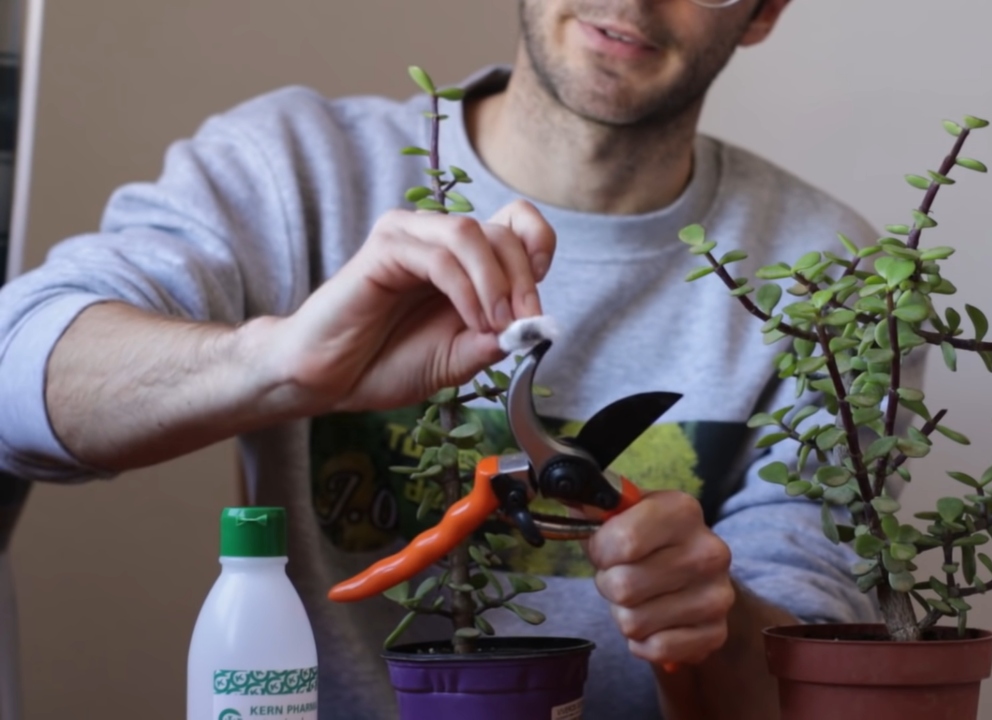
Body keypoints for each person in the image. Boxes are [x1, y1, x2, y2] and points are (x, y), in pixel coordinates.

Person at [0, 0, 926, 717]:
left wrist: (711, 615)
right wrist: (281, 364)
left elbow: (809, 679)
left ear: (762, 11)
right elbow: (16, 381)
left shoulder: (836, 278)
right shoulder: (295, 167)